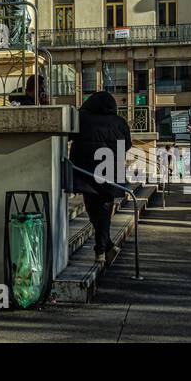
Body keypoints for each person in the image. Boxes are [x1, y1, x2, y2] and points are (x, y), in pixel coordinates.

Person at [69, 91, 133, 265]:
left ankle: (102, 250)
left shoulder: (82, 118)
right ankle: (105, 248)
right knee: (105, 210)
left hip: (87, 172)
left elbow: (68, 136)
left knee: (93, 210)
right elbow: (127, 144)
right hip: (110, 172)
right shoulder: (119, 122)